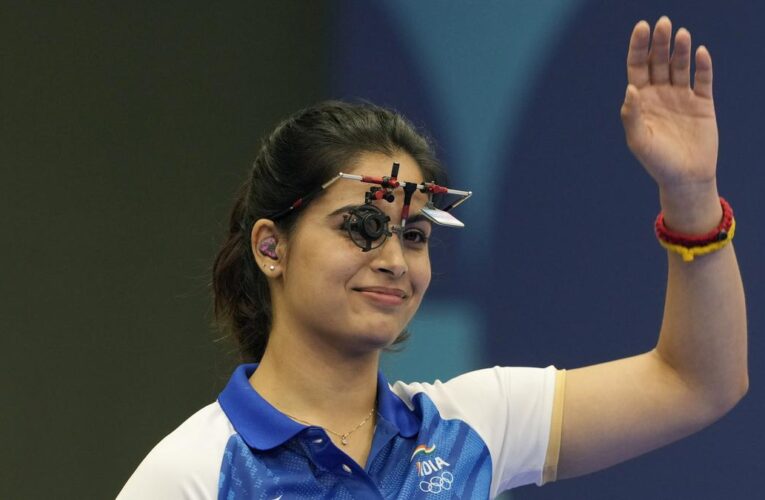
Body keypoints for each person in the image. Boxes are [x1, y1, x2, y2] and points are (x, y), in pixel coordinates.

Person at [117, 17, 747, 499]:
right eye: (362, 225)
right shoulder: (193, 473)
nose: (394, 258)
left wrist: (690, 194)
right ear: (271, 247)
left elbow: (696, 382)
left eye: (414, 234)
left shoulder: (472, 425)